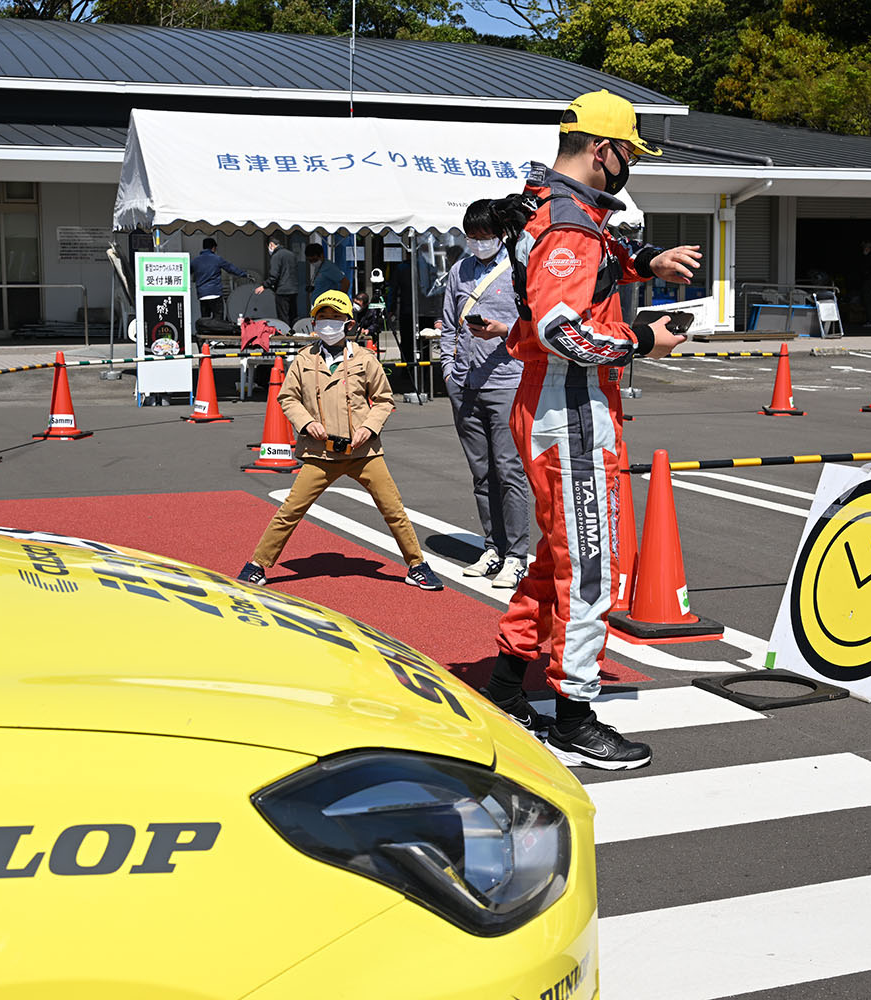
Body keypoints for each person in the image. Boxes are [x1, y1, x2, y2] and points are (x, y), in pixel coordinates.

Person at [471, 90, 700, 770]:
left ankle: (510, 682)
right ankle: (572, 714)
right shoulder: (569, 220)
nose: (630, 163)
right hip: (568, 412)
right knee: (593, 569)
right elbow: (560, 326)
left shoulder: (547, 204)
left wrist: (646, 261)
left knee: (556, 559)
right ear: (600, 149)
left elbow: (588, 263)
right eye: (628, 151)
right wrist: (640, 341)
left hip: (551, 406)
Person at [237, 290, 443, 592]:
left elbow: (384, 400)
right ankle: (258, 564)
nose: (328, 324)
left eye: (335, 318)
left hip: (363, 451)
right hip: (320, 453)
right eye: (322, 318)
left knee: (393, 507)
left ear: (348, 323)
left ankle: (417, 565)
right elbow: (288, 397)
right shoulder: (303, 359)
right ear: (314, 323)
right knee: (291, 509)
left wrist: (369, 428)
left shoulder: (364, 358)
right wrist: (307, 423)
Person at [440, 198, 531, 591]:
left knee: (509, 470)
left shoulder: (518, 269)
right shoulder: (459, 269)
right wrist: (448, 370)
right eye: (472, 237)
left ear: (501, 234)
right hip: (465, 381)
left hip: (508, 380)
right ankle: (492, 546)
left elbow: (537, 325)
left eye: (486, 236)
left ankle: (517, 555)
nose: (478, 243)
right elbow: (447, 325)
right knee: (482, 473)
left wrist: (502, 330)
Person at [189, 238, 248, 322]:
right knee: (218, 320)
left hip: (202, 295)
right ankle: (216, 335)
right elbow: (230, 268)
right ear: (213, 248)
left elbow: (187, 272)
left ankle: (204, 334)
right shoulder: (217, 259)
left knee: (205, 321)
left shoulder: (195, 261)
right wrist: (244, 274)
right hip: (215, 293)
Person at [255, 236, 300, 328]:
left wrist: (263, 286)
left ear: (271, 245)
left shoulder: (276, 256)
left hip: (282, 290)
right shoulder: (291, 254)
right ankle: (294, 335)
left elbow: (274, 276)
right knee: (293, 316)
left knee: (283, 318)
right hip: (294, 290)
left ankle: (285, 338)